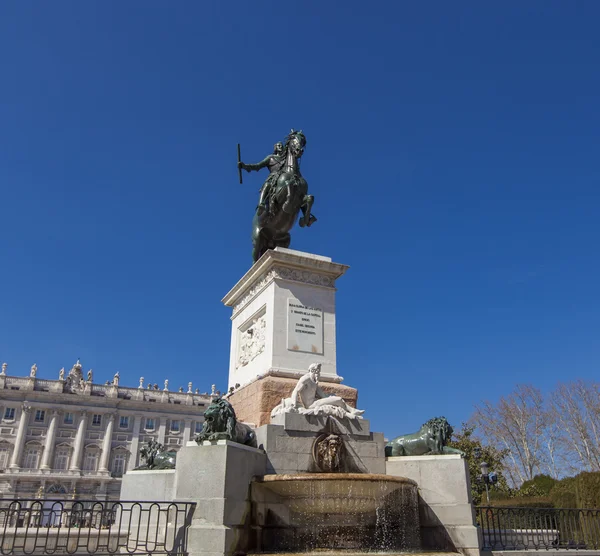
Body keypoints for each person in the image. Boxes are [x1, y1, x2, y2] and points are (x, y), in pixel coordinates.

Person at [272, 363, 364, 419]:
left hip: (315, 402)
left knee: (336, 400)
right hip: (310, 405)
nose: (318, 373)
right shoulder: (305, 379)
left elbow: (322, 394)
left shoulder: (315, 381)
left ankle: (351, 412)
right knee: (338, 399)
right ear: (312, 370)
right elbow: (296, 391)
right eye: (317, 371)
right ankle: (352, 411)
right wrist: (294, 404)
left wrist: (329, 399)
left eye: (318, 371)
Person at [238, 142, 285, 215]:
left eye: (282, 145)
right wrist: (245, 166)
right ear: (275, 148)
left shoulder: (285, 159)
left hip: (284, 178)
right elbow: (258, 166)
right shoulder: (270, 158)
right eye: (279, 145)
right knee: (267, 185)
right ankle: (261, 204)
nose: (281, 147)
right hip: (274, 177)